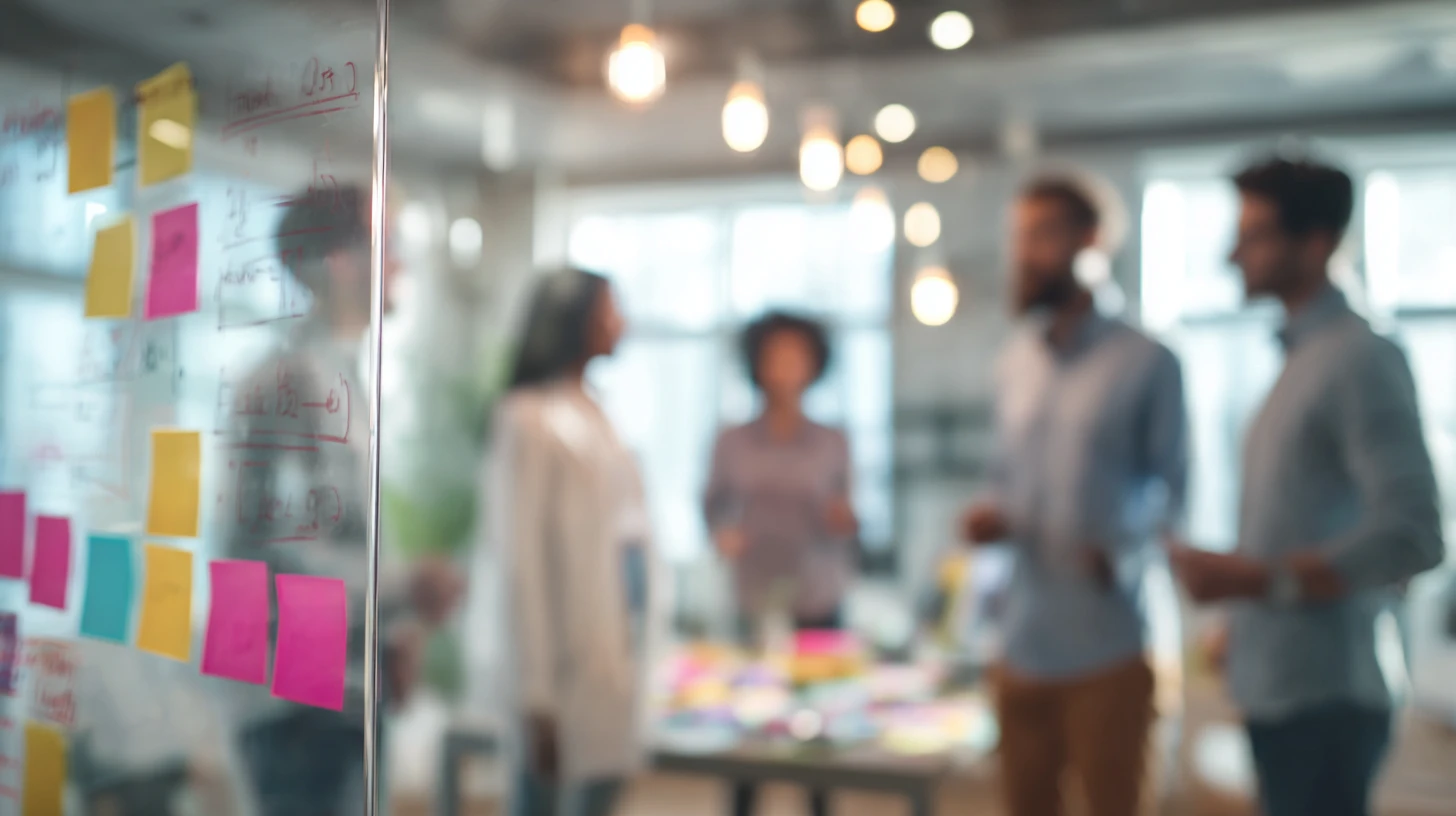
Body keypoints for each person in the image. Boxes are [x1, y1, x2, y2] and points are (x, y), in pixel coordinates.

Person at [1167, 157, 1445, 816]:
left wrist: (1256, 583)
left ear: (1315, 242)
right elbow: (1302, 518)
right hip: (1283, 686)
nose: (1232, 253)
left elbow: (1412, 533)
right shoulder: (1303, 359)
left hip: (1328, 697)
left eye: (1254, 233)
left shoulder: (1359, 356)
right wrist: (1242, 621)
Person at [220, 184, 462, 815]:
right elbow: (293, 563)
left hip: (338, 693)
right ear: (343, 263)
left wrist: (396, 632)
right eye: (391, 248)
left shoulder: (338, 377)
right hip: (300, 707)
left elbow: (346, 539)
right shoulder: (291, 385)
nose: (402, 265)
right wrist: (408, 589)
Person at [961, 177, 1188, 816]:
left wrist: (1123, 553)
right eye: (1019, 237)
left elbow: (1177, 495)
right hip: (1022, 637)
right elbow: (1004, 476)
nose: (1024, 254)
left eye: (1040, 235)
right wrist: (991, 516)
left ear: (1090, 241)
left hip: (1108, 644)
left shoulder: (1149, 360)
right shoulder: (1015, 361)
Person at [486, 268, 653, 816]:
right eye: (609, 309)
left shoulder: (594, 412)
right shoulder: (526, 419)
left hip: (611, 650)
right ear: (573, 319)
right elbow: (519, 563)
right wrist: (535, 697)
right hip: (559, 665)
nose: (620, 322)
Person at [703, 311, 857, 816]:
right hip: (756, 599)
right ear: (758, 364)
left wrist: (843, 517)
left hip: (817, 596)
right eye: (776, 357)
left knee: (817, 737)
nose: (786, 368)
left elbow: (851, 518)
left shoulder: (833, 440)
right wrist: (722, 533)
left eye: (797, 357)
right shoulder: (733, 440)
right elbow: (710, 505)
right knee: (748, 734)